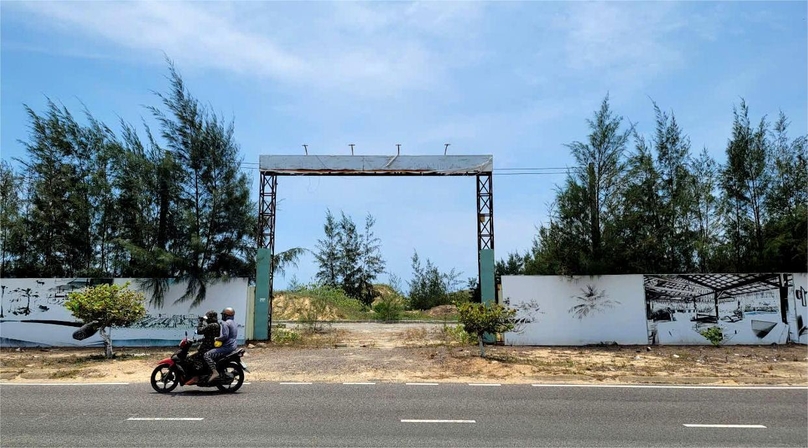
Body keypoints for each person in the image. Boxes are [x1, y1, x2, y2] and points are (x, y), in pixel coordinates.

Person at [203, 307, 238, 382]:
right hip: (233, 346)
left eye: (223, 314)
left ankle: (215, 372)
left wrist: (216, 338)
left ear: (226, 315)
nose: (222, 316)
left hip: (227, 346)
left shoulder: (225, 323)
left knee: (206, 355)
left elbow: (225, 336)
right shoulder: (234, 323)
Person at [187, 310, 220, 382]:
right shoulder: (216, 324)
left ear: (211, 318)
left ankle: (197, 376)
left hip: (207, 348)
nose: (206, 319)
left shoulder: (212, 325)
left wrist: (200, 322)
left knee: (191, 359)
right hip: (209, 346)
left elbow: (199, 331)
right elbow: (208, 337)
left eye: (207, 318)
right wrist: (197, 340)